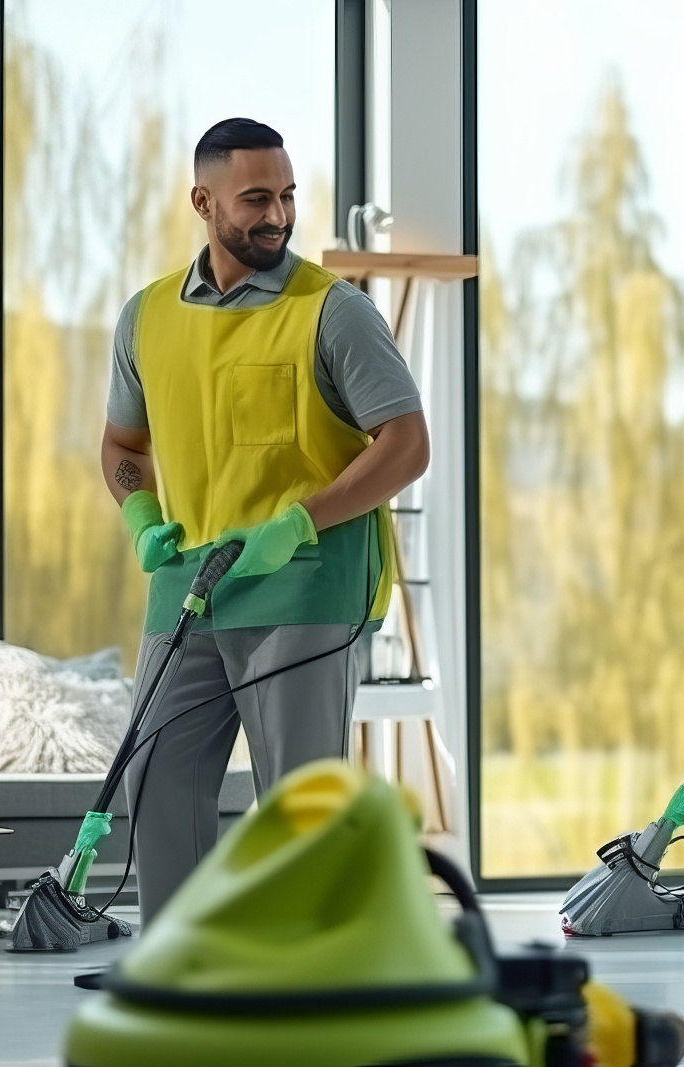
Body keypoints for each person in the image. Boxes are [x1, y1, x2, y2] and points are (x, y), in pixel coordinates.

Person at [100, 117, 429, 925]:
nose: (277, 215)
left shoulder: (334, 311)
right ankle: (179, 963)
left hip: (306, 587)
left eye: (286, 195)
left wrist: (298, 523)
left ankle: (298, 978)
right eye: (256, 199)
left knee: (296, 802)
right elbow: (121, 444)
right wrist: (140, 511)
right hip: (189, 590)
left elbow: (407, 444)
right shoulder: (146, 318)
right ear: (202, 201)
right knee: (156, 778)